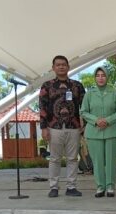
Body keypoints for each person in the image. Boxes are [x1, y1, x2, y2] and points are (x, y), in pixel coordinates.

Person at [39, 55, 86, 198]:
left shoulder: (77, 86)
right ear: (53, 68)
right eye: (58, 65)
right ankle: (54, 187)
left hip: (74, 127)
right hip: (54, 127)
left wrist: (84, 125)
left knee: (72, 158)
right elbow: (42, 107)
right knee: (54, 159)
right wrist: (44, 127)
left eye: (64, 64)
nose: (61, 67)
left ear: (68, 67)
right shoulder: (47, 86)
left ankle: (71, 187)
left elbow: (84, 107)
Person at [80, 67, 116, 198]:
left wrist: (108, 120)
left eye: (103, 75)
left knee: (111, 160)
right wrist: (96, 120)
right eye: (98, 75)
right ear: (95, 77)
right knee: (97, 161)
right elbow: (83, 111)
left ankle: (110, 186)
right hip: (93, 132)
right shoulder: (89, 94)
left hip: (112, 131)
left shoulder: (115, 92)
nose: (100, 77)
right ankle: (100, 186)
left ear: (107, 77)